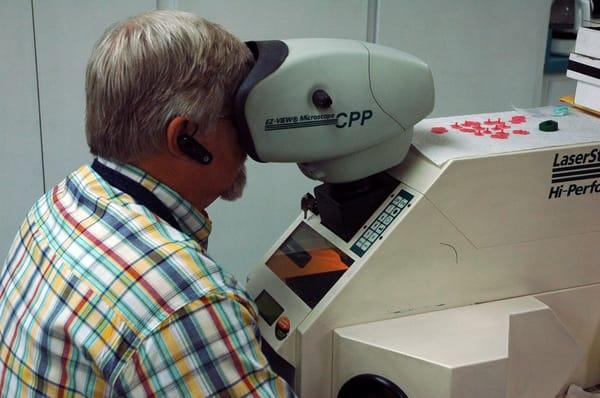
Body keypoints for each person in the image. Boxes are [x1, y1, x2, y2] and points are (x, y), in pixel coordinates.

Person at [0, 10, 296, 397]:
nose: (248, 138)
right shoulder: (185, 304)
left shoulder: (60, 203)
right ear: (186, 138)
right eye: (238, 117)